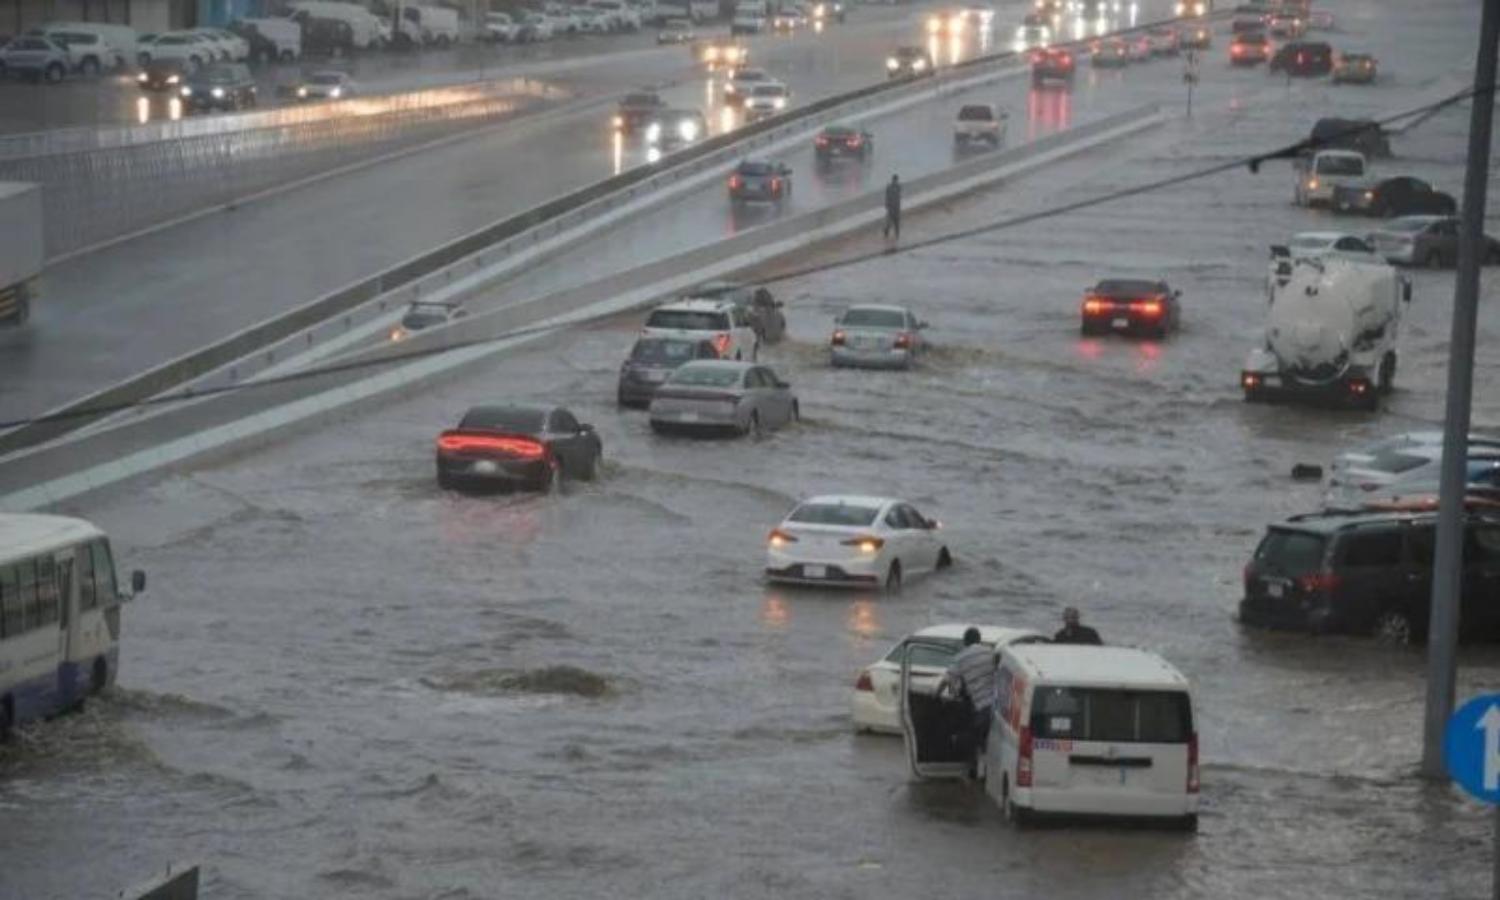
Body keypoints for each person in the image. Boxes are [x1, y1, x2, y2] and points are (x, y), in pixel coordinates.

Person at [940, 626, 995, 762]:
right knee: (986, 740)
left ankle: (970, 768)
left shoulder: (960, 658)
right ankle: (981, 770)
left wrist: (936, 693)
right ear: (979, 639)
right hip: (998, 707)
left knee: (972, 736)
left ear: (965, 642)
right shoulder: (990, 652)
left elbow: (947, 679)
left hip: (981, 707)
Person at [883, 174, 902, 240]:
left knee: (896, 222)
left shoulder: (898, 187)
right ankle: (886, 232)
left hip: (896, 207)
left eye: (896, 180)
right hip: (892, 207)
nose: (895, 181)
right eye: (895, 180)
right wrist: (886, 204)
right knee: (890, 222)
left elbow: (899, 197)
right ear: (893, 180)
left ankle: (896, 235)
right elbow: (887, 196)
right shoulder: (890, 187)